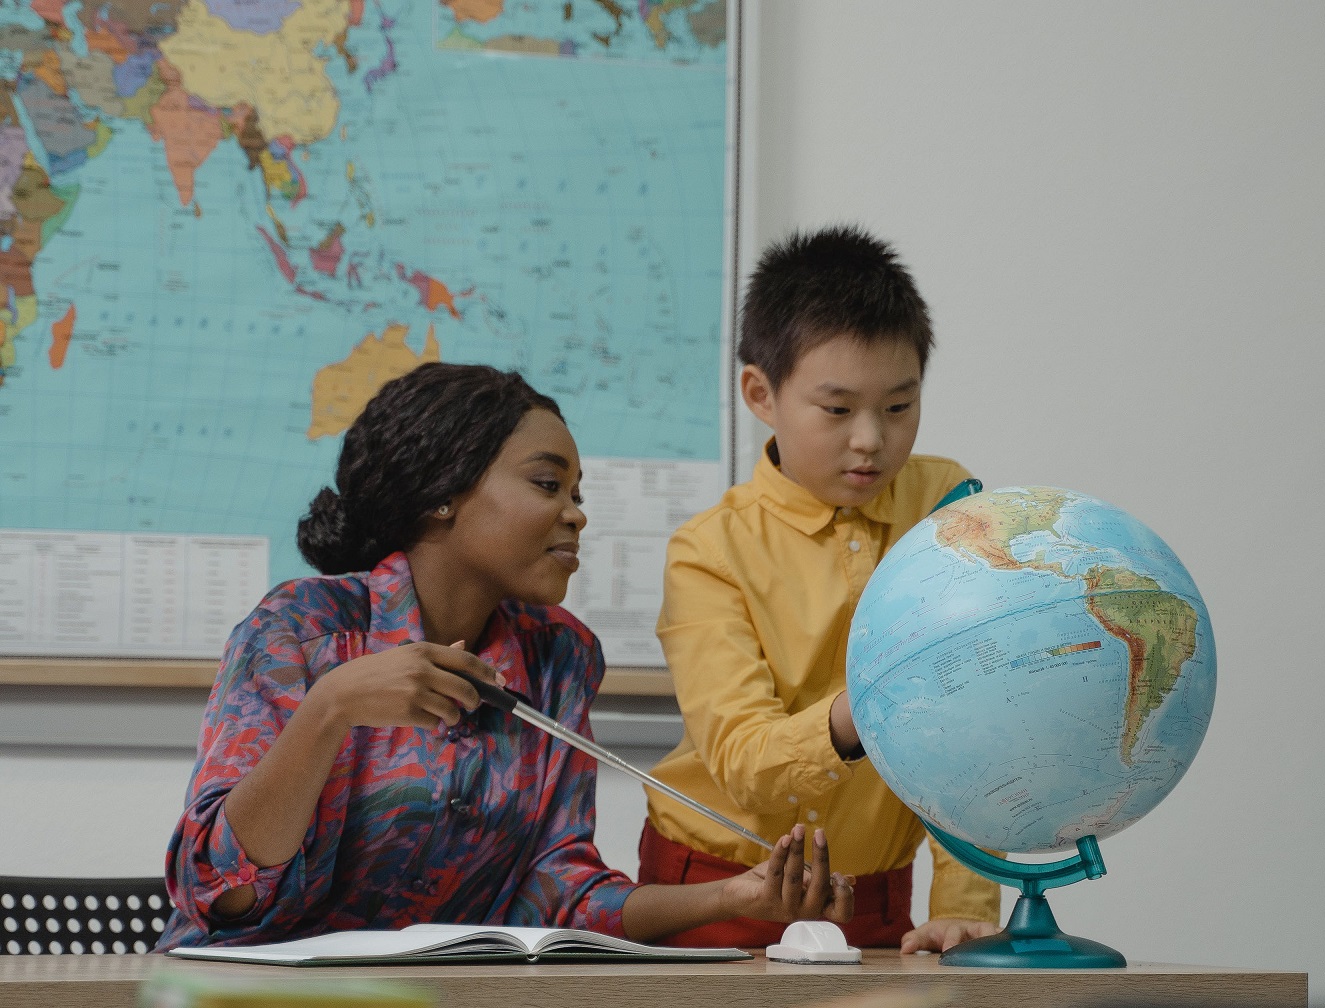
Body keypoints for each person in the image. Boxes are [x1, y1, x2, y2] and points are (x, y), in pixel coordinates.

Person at [158, 363, 851, 950]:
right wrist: (330, 709)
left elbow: (560, 894)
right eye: (548, 485)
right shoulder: (299, 629)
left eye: (578, 494)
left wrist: (735, 896)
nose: (577, 514)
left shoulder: (561, 656)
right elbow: (216, 889)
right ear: (442, 494)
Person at [641, 226, 1001, 953]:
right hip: (721, 888)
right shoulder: (708, 553)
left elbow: (970, 732)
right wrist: (869, 708)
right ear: (760, 393)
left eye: (899, 407)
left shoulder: (947, 506)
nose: (871, 439)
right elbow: (745, 763)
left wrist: (963, 907)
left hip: (876, 897)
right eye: (837, 410)